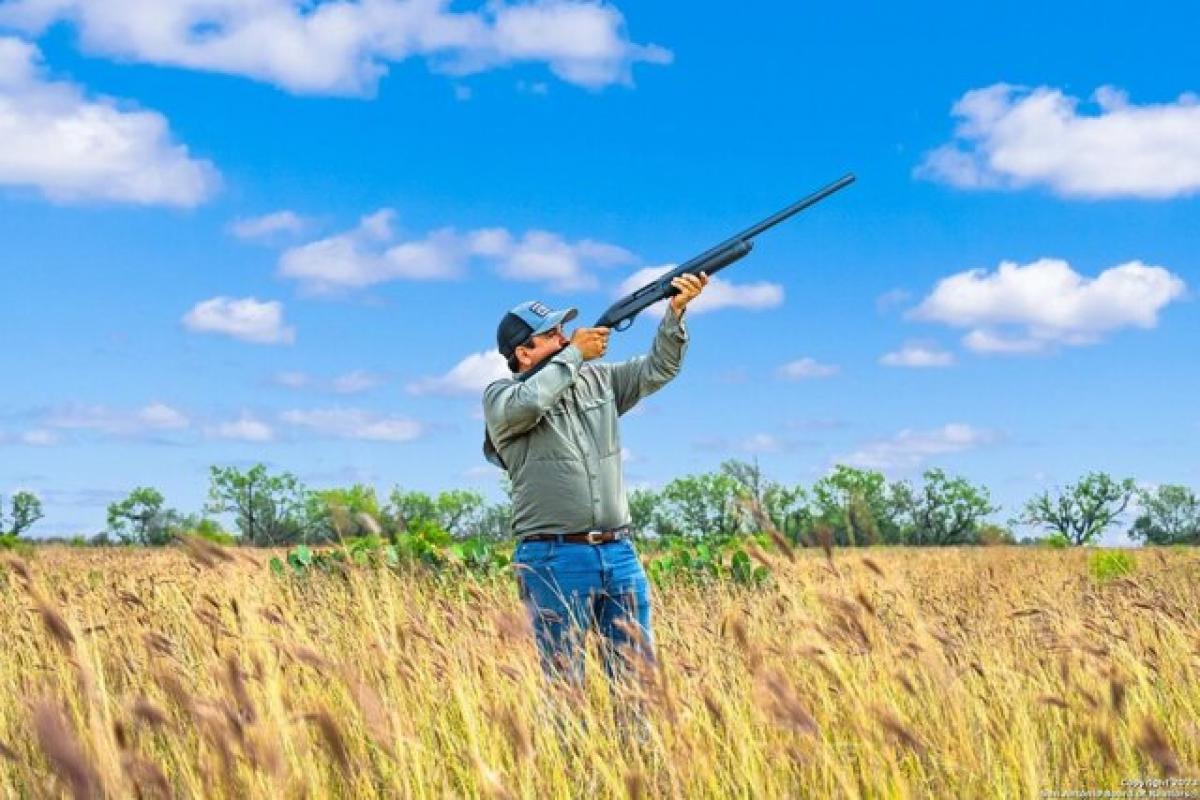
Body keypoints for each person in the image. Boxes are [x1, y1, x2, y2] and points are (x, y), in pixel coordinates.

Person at [482, 273, 709, 693]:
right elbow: (529, 403)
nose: (566, 338)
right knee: (566, 687)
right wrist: (575, 357)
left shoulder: (598, 380)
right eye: (551, 334)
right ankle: (569, 761)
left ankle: (637, 759)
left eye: (563, 330)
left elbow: (658, 369)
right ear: (524, 353)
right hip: (552, 557)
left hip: (619, 552)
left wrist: (675, 314)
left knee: (636, 682)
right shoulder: (500, 398)